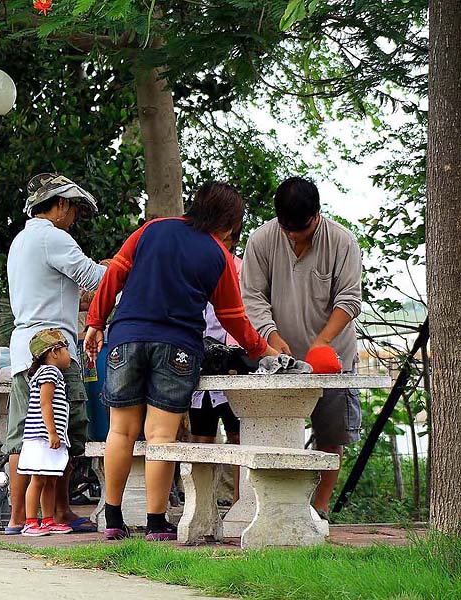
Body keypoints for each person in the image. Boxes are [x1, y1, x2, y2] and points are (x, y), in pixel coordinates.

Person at [84, 182, 278, 541]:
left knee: (121, 431)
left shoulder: (153, 229)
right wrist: (261, 349)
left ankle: (113, 519)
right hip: (177, 346)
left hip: (127, 337)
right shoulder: (218, 254)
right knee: (161, 436)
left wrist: (95, 322)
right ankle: (157, 524)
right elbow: (233, 317)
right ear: (230, 224)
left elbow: (114, 274)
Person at [240, 176, 363, 521]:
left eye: (301, 228)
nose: (293, 235)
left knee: (331, 435)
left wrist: (322, 341)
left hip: (332, 358)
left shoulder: (342, 241)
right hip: (279, 360)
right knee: (276, 431)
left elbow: (350, 298)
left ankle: (318, 509)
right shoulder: (261, 239)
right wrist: (270, 335)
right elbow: (252, 295)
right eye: (287, 228)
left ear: (317, 215)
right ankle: (277, 511)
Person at [4, 173, 106, 535]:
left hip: (24, 347)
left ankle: (19, 518)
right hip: (54, 349)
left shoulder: (21, 241)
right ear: (60, 205)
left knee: (23, 436)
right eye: (73, 208)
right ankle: (58, 513)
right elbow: (94, 278)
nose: (74, 215)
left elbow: (57, 293)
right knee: (60, 432)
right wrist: (118, 269)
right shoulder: (54, 237)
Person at [188, 232, 243, 504]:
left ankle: (239, 501)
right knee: (200, 436)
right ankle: (201, 505)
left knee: (238, 435)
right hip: (198, 361)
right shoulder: (192, 269)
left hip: (232, 363)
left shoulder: (241, 269)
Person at [18, 329, 75, 536]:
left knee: (51, 478)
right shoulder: (50, 372)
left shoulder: (52, 373)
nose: (69, 354)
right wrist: (52, 432)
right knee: (38, 479)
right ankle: (31, 521)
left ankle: (48, 520)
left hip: (49, 437)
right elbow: (45, 404)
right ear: (54, 352)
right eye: (66, 349)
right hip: (41, 437)